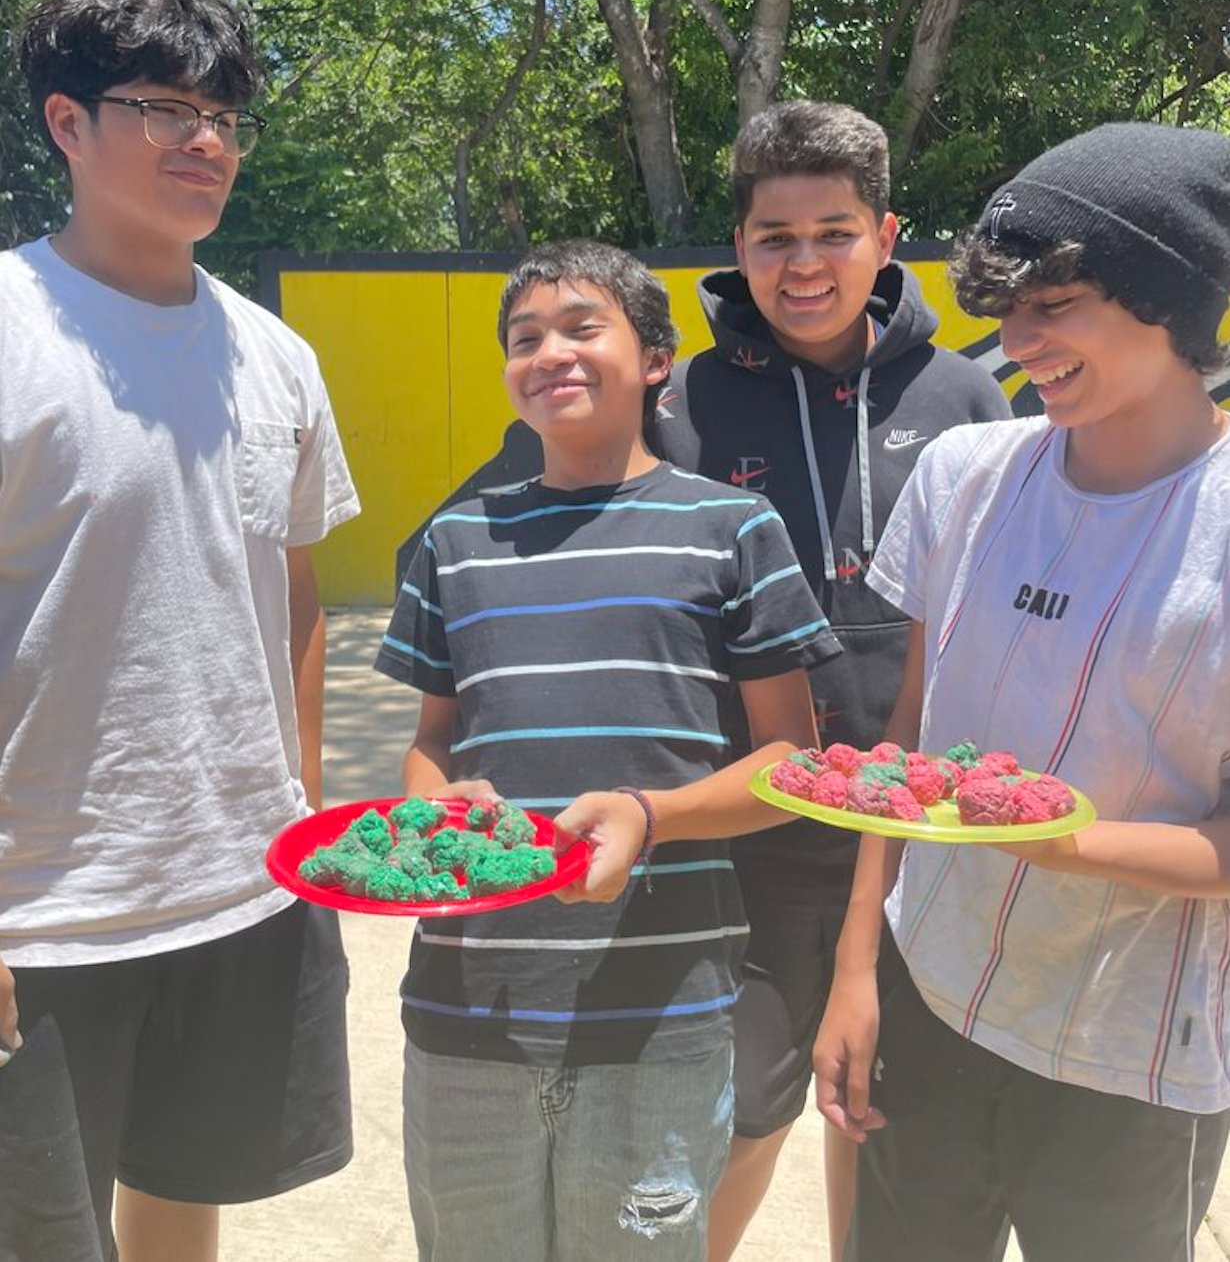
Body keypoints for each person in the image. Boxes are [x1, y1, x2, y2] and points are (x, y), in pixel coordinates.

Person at [374, 238, 840, 1262]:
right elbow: (429, 747)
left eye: (583, 328)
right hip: (469, 1009)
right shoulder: (456, 542)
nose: (551, 353)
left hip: (660, 1017)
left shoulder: (732, 529)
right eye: (524, 337)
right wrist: (437, 814)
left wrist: (651, 814)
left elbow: (792, 765)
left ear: (657, 357)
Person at [813, 122, 1230, 1262]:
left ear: (1173, 297)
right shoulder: (966, 476)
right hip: (932, 991)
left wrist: (1061, 843)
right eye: (1008, 306)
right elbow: (902, 752)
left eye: (1058, 303)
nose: (1019, 339)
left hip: (1133, 1046)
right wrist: (859, 972)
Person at [0, 0, 359, 1262]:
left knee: (180, 1203)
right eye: (162, 106)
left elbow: (296, 592)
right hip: (42, 910)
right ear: (65, 124)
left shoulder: (277, 353)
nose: (204, 141)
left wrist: (308, 826)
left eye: (223, 114)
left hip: (237, 888)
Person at [651, 99, 1009, 1256]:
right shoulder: (686, 408)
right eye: (774, 237)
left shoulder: (964, 399)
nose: (804, 264)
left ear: (887, 232)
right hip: (752, 829)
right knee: (741, 1110)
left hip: (917, 834)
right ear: (739, 246)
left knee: (872, 1105)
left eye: (835, 232)